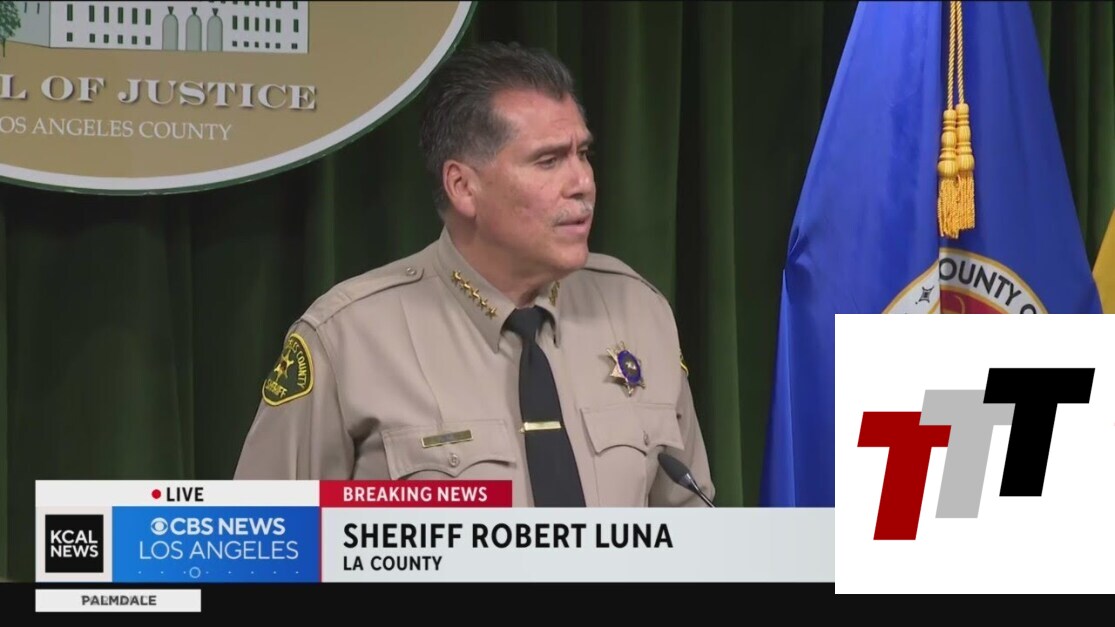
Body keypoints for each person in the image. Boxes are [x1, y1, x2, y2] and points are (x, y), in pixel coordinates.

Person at [234, 41, 715, 507]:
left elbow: (692, 524)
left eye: (583, 154)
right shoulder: (348, 337)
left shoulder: (639, 311)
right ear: (463, 187)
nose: (583, 183)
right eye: (548, 161)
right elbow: (263, 540)